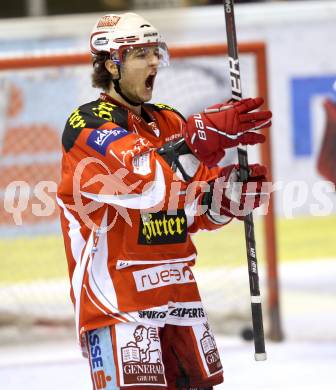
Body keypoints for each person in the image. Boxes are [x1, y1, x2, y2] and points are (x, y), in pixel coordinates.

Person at [57, 12, 271, 390]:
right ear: (112, 64)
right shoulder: (87, 126)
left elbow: (192, 207)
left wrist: (227, 198)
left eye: (155, 52)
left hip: (179, 293)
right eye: (140, 54)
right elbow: (148, 184)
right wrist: (196, 141)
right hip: (119, 302)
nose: (154, 61)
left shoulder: (169, 120)